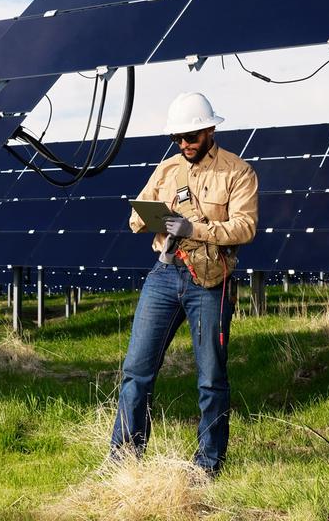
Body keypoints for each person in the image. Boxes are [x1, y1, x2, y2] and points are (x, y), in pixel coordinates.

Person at [110, 92, 259, 477]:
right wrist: (155, 218)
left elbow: (246, 226)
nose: (184, 145)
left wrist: (196, 228)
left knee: (210, 378)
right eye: (178, 138)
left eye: (191, 137)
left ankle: (207, 465)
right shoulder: (167, 169)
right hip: (164, 273)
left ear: (210, 129)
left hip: (210, 282)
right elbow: (134, 217)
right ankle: (124, 459)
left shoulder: (237, 172)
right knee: (136, 370)